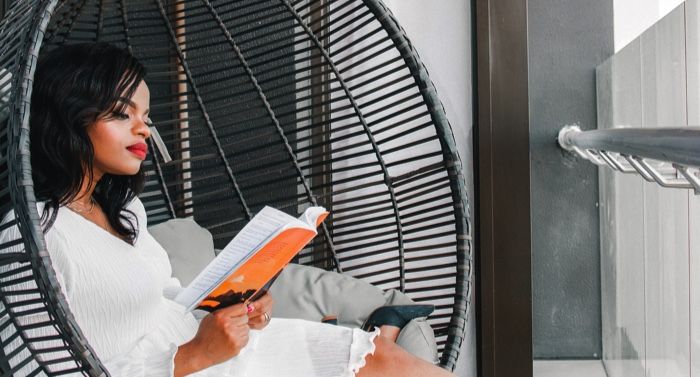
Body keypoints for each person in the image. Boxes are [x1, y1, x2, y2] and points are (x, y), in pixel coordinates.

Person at [0, 43, 455, 377]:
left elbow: (168, 299)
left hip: (210, 350)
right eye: (123, 113)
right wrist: (194, 355)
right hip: (184, 366)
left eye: (146, 114)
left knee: (377, 359)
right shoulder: (28, 235)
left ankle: (378, 333)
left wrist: (236, 307)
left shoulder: (125, 209)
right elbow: (37, 370)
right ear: (69, 116)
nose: (144, 128)